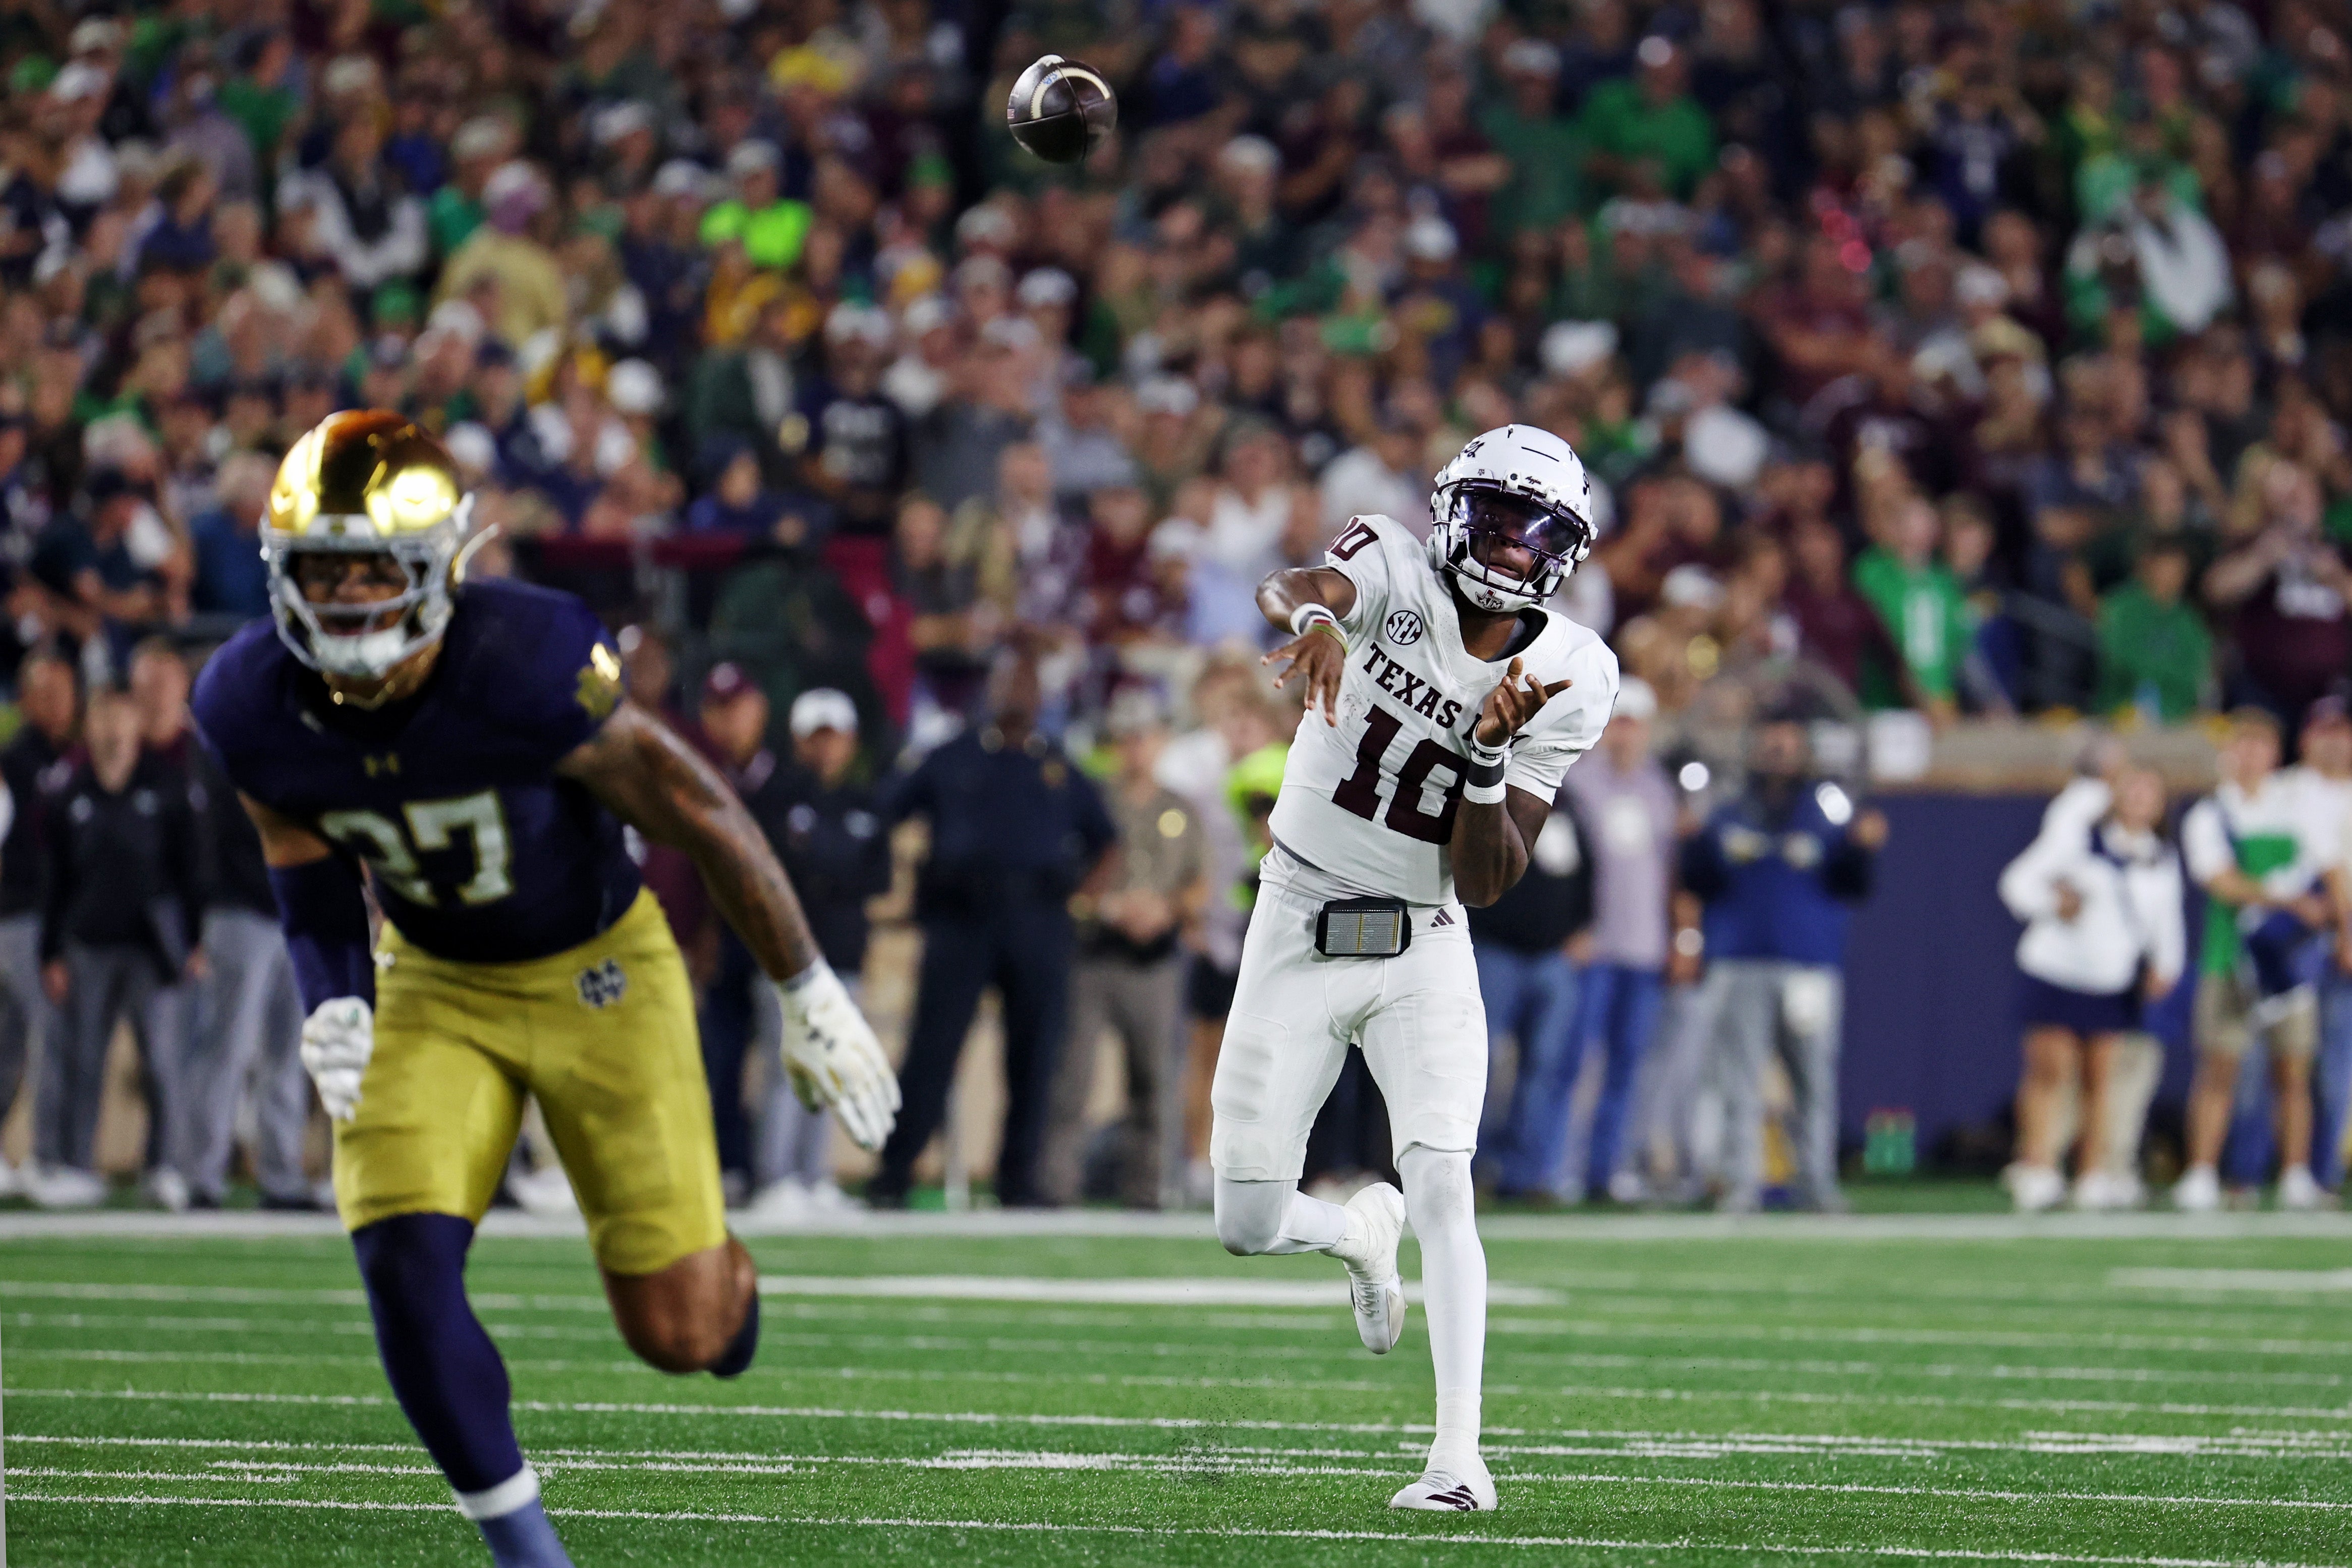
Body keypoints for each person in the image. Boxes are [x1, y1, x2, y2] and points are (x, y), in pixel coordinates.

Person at [188, 412, 899, 1568]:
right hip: (432, 981)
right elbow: (304, 863)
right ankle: (531, 1557)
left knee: (685, 1335)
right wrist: (331, 993)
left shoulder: (524, 659)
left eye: (381, 573)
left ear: (445, 570)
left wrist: (805, 985)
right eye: (326, 573)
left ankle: (729, 1285)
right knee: (400, 1258)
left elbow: (701, 809)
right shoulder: (247, 701)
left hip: (599, 972)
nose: (354, 603)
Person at [1221, 424, 1619, 1513]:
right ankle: (1354, 1233)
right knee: (1245, 1222)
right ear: (1453, 511)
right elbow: (1291, 583)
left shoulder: (1572, 673)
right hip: (1297, 914)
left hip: (1422, 936)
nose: (1508, 543)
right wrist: (1315, 622)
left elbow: (1488, 881)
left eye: (1533, 531)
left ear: (1565, 552)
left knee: (1447, 1182)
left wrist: (1488, 757)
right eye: (1493, 516)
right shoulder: (1393, 564)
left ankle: (1458, 1461)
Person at [869, 650, 1116, 1209]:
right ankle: (895, 1172)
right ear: (990, 690)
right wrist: (905, 885)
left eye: (1028, 685)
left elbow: (1107, 840)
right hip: (961, 919)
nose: (1017, 696)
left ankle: (1018, 1180)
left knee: (1034, 1054)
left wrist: (1081, 904)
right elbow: (887, 811)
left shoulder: (1055, 765)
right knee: (932, 1049)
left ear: (1042, 698)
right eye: (1008, 683)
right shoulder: (950, 757)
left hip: (1038, 920)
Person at [1681, 715, 1886, 1213]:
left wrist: (1863, 849)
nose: (1778, 750)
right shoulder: (1727, 808)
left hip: (1808, 964)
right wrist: (1691, 843)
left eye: (1788, 742)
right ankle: (1739, 1184)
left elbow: (1854, 886)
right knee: (1739, 1082)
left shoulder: (1829, 810)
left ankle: (1816, 1181)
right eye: (1771, 741)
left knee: (1814, 1080)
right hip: (1741, 959)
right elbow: (1699, 882)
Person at [33, 684, 203, 1210]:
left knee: (161, 1062)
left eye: (121, 720)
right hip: (87, 945)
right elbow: (53, 877)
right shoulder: (70, 788)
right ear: (90, 727)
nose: (112, 731)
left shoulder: (167, 784)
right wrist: (50, 952)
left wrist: (193, 942)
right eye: (103, 720)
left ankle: (166, 1167)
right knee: (84, 1060)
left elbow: (193, 868)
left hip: (152, 950)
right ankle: (77, 1167)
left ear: (136, 726)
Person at [1039, 689, 1208, 1209]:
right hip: (1093, 954)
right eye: (1128, 737)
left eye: (1145, 736)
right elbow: (1065, 873)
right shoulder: (1092, 800)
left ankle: (1149, 1190)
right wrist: (1110, 907)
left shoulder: (1181, 807)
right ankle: (1053, 1188)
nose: (1137, 747)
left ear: (1160, 741)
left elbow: (1201, 883)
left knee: (1155, 1079)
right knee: (1071, 1079)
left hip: (1153, 959)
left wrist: (1166, 909)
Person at [1996, 766, 2185, 1211]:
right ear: (2115, 797)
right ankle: (2039, 1169)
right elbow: (2017, 883)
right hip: (2056, 972)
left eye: (2150, 792)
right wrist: (2052, 902)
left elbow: (2167, 920)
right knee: (2051, 1073)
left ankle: (2093, 1175)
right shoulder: (2077, 840)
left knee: (2100, 1082)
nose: (2140, 799)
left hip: (2111, 981)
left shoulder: (2159, 856)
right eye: (2133, 789)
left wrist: (2167, 965)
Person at [2174, 707, 2335, 1211]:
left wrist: (2326, 914)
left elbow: (2327, 870)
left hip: (2288, 963)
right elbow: (2220, 880)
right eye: (2242, 745)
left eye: (2261, 745)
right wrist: (2288, 902)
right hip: (2231, 958)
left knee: (2293, 1071)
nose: (2251, 755)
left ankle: (2295, 1175)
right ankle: (2200, 1173)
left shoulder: (2296, 807)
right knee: (2220, 1068)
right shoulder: (2211, 813)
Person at [747, 687, 891, 1216]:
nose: (827, 748)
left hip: (844, 953)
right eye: (817, 737)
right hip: (787, 956)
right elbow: (774, 873)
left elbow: (877, 877)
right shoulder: (777, 798)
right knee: (789, 1069)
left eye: (835, 737)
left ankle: (815, 1177)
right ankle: (776, 1177)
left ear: (851, 742)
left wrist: (824, 871)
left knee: (833, 1067)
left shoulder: (864, 802)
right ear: (799, 739)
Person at [1557, 674, 1678, 1203]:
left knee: (1629, 1065)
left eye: (1634, 725)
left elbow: (1669, 871)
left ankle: (1608, 1169)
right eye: (1618, 723)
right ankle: (1559, 1167)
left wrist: (1677, 936)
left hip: (1645, 946)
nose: (1625, 735)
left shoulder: (1659, 789)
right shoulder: (1581, 783)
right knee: (1575, 1062)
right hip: (1596, 945)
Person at [1466, 763, 1591, 1201]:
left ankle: (1526, 1174)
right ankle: (1465, 1171)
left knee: (1544, 1068)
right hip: (1495, 951)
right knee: (1477, 1063)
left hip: (1552, 958)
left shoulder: (1567, 804)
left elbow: (1586, 873)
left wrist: (1582, 928)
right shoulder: (1486, 785)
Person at [0, 651, 73, 1201]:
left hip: (44, 915)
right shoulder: (14, 762)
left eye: (65, 692)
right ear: (24, 699)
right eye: (46, 692)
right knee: (44, 1038)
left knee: (12, 1041)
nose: (59, 703)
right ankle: (44, 1158)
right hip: (19, 915)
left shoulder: (72, 755)